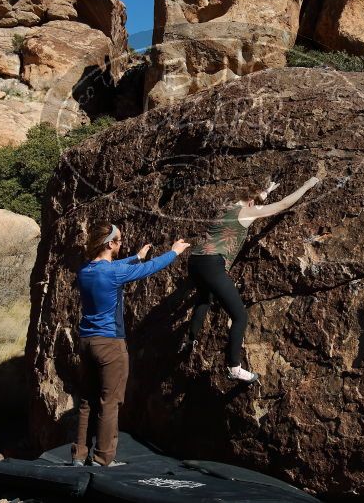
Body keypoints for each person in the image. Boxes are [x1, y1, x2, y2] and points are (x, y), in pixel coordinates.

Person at [73, 221, 190, 467]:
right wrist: (174, 252)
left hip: (86, 342)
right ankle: (103, 458)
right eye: (119, 240)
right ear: (110, 244)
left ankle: (79, 455)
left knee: (86, 401)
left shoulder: (85, 270)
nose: (121, 243)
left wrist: (136, 257)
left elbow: (113, 266)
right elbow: (152, 268)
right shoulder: (114, 274)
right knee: (110, 402)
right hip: (110, 345)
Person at [183, 176, 320, 383]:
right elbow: (282, 205)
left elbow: (251, 201)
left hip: (195, 261)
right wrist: (308, 185)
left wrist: (265, 192)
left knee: (204, 298)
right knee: (240, 316)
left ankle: (189, 339)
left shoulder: (227, 206)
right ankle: (234, 367)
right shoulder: (248, 211)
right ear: (252, 203)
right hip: (213, 264)